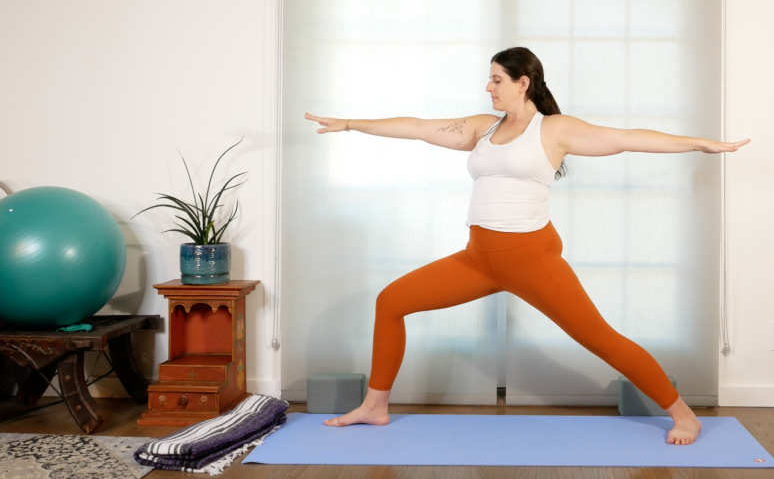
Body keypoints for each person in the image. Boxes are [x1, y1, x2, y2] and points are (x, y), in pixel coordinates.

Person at [304, 47, 750, 445]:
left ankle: (682, 412)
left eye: (497, 79)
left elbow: (628, 138)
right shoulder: (481, 128)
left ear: (523, 82)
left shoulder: (554, 130)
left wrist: (697, 144)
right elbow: (419, 128)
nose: (488, 87)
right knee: (391, 301)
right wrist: (349, 124)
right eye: (489, 78)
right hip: (478, 260)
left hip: (532, 260)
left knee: (602, 340)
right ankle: (375, 406)